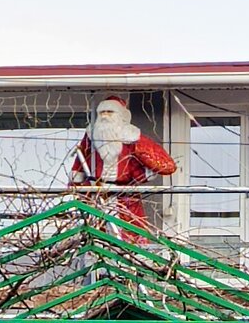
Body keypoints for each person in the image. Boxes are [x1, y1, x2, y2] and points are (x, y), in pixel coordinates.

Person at [70, 96, 177, 238]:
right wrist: (76, 183)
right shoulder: (92, 135)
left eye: (110, 112)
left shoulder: (132, 137)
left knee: (130, 234)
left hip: (126, 196)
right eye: (102, 112)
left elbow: (166, 165)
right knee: (96, 235)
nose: (105, 116)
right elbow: (80, 161)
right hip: (97, 192)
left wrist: (138, 149)